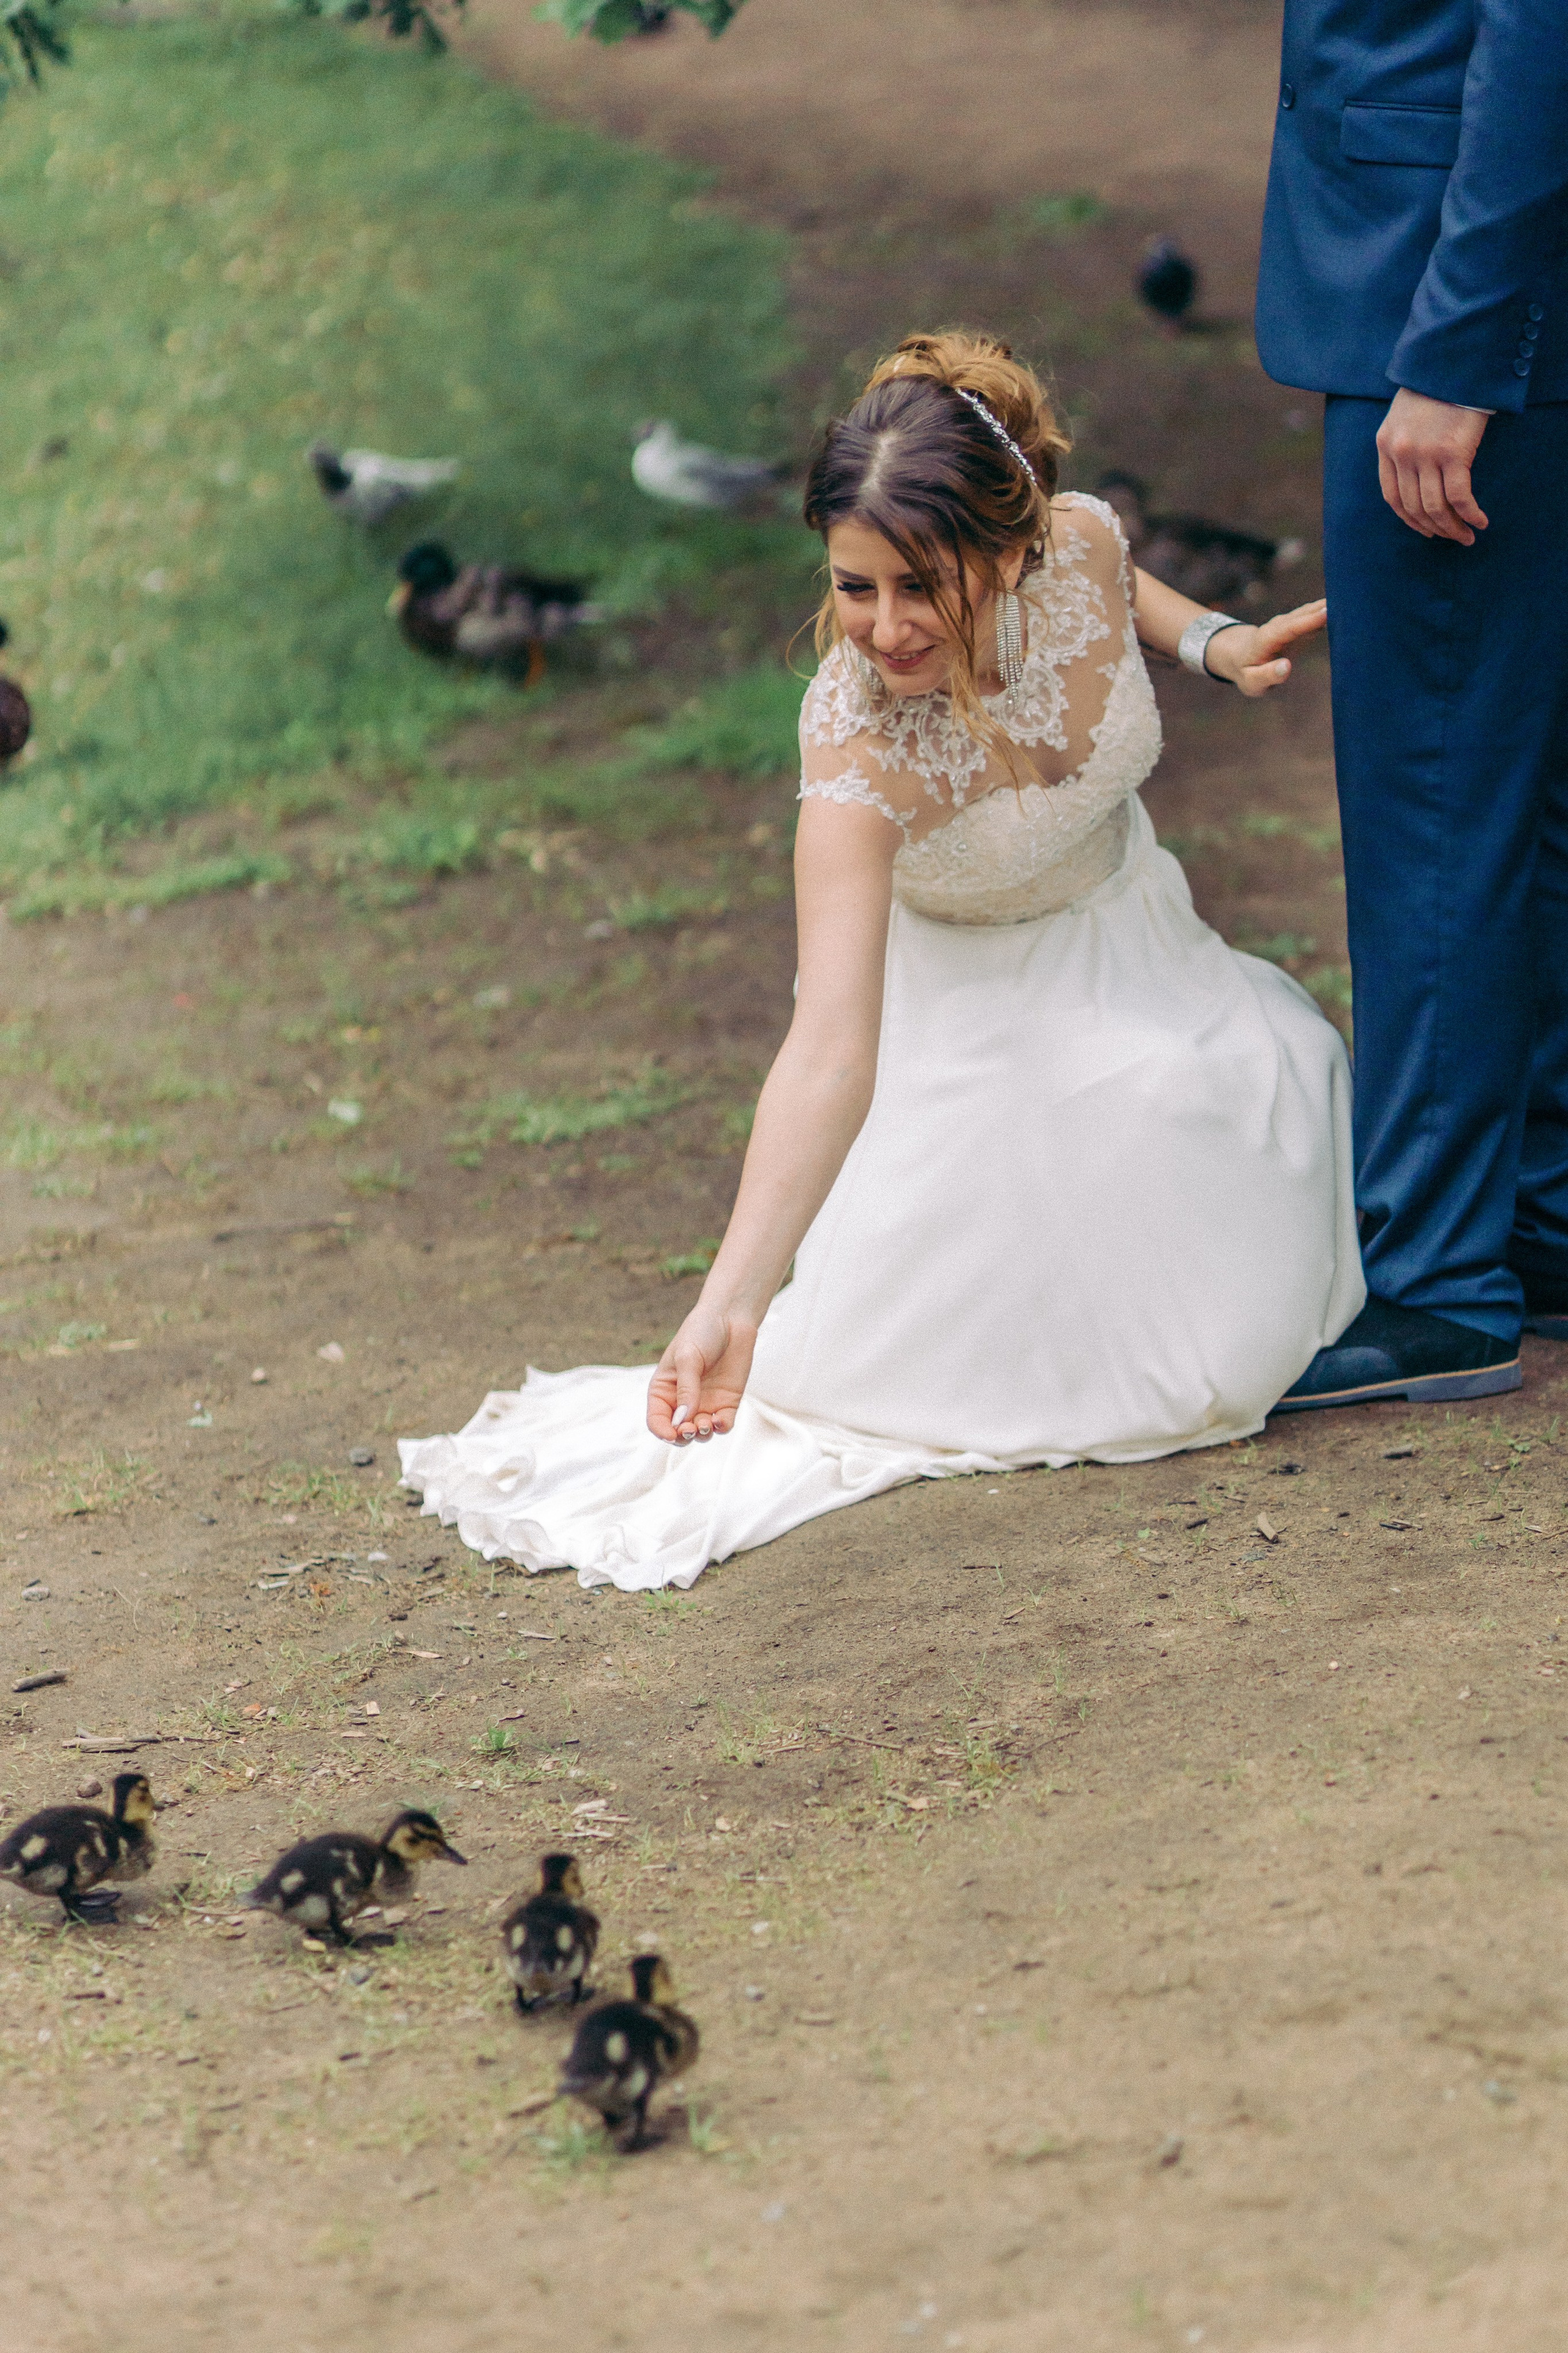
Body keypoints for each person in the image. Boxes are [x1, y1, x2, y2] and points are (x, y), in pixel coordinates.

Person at [399, 333, 1361, 1592]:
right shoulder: (856, 755)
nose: (886, 629)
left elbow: (1118, 588)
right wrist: (733, 1297)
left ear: (1013, 553)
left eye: (922, 584)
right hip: (968, 1023)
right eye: (854, 587)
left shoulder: (1072, 540)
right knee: (1170, 1331)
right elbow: (830, 1042)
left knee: (1278, 1093)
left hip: (1138, 942)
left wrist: (1212, 643)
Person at [1257, 0, 1568, 1411]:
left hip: (1449, 306)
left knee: (1428, 795)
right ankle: (1535, 1222)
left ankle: (1439, 1279)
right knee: (1520, 791)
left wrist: (1453, 349)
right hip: (1465, 292)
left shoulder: (1453, 343)